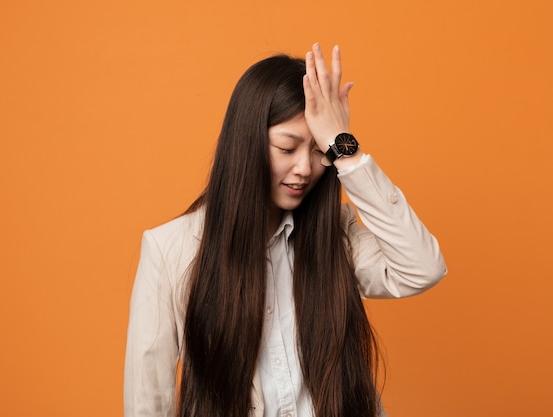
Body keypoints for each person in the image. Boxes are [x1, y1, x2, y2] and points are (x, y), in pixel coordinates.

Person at [124, 43, 447, 417]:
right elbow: (147, 401)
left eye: (318, 152)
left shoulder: (335, 236)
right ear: (247, 144)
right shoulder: (170, 249)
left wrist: (345, 148)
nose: (305, 170)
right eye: (287, 147)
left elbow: (423, 267)